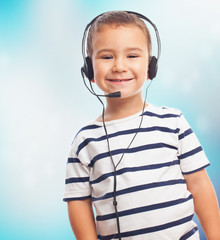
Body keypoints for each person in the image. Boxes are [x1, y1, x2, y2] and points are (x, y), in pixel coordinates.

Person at [63, 11, 220, 239]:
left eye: (132, 56)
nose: (119, 66)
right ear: (89, 70)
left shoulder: (173, 122)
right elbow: (78, 202)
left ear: (150, 67)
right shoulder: (85, 141)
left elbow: (199, 185)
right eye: (107, 57)